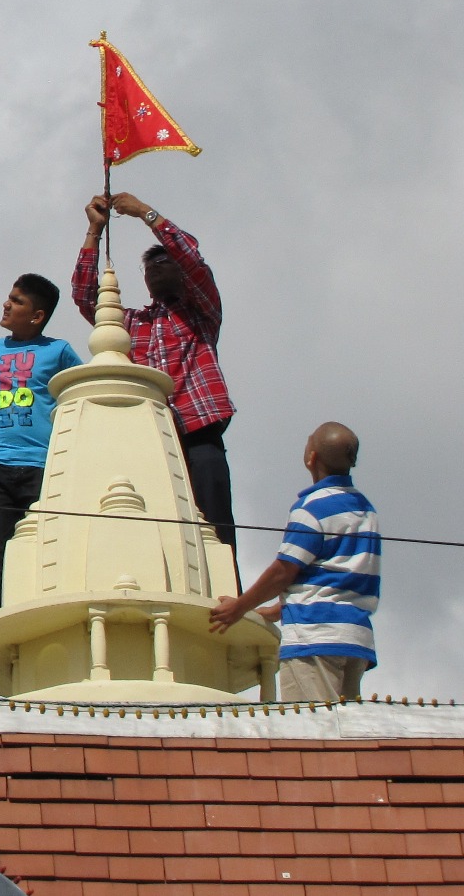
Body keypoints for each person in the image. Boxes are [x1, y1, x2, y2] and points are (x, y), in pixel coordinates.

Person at [73, 192, 236, 549]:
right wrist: (94, 232)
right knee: (158, 529)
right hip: (151, 437)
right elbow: (86, 297)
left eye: (165, 262)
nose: (156, 268)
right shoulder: (131, 324)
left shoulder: (200, 314)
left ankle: (229, 600)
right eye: (149, 266)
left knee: (216, 526)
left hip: (198, 430)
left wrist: (146, 214)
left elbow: (194, 262)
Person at [211, 422, 379, 703]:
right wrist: (279, 609)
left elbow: (284, 570)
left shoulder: (311, 508)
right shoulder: (365, 509)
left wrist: (239, 607)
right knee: (345, 734)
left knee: (314, 732)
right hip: (355, 638)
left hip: (314, 637)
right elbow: (339, 574)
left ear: (311, 458)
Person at [0, 274, 84, 618]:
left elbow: (84, 395)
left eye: (16, 301)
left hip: (44, 468)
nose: (6, 304)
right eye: (8, 297)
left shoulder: (58, 351)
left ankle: (49, 621)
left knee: (49, 554)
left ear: (36, 316)